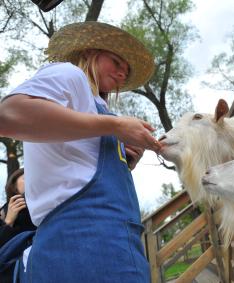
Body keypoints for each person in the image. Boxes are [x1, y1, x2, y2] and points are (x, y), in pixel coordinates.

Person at [0, 21, 161, 283]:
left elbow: (82, 171)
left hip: (121, 244)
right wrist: (116, 125)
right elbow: (8, 116)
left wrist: (125, 162)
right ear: (89, 53)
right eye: (116, 62)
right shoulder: (68, 74)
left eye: (127, 70)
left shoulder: (100, 109)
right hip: (79, 243)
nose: (122, 73)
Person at [0, 168, 36, 283]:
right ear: (14, 186)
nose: (32, 180)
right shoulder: (3, 211)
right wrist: (8, 221)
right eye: (26, 178)